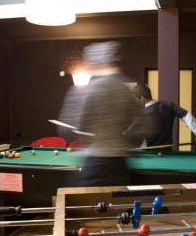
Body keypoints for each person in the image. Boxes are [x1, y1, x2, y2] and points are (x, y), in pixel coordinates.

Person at [58, 41, 150, 186]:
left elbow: (66, 130)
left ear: (93, 63)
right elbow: (144, 126)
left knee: (86, 206)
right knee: (120, 207)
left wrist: (89, 139)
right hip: (120, 164)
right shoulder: (125, 89)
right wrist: (124, 143)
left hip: (94, 164)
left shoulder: (84, 90)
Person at [131, 83, 196, 148]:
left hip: (150, 155)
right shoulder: (169, 105)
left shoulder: (141, 114)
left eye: (136, 100)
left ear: (142, 98)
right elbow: (188, 117)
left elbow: (131, 135)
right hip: (168, 152)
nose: (136, 103)